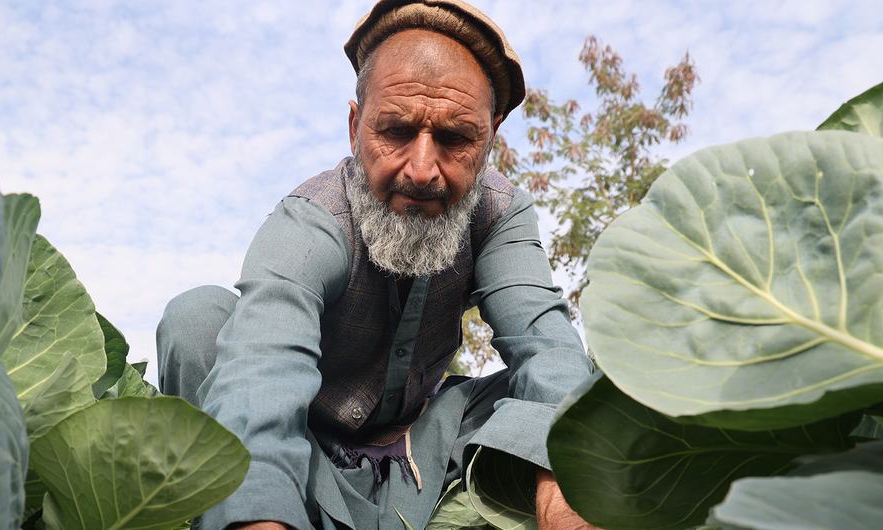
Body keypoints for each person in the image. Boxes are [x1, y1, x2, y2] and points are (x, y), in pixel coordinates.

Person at [157, 1, 595, 528]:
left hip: (426, 446)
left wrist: (569, 489)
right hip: (310, 444)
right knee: (198, 319)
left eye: (456, 139)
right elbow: (262, 364)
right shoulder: (314, 220)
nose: (422, 169)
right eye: (395, 131)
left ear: (490, 138)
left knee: (584, 389)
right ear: (355, 125)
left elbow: (543, 344)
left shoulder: (500, 214)